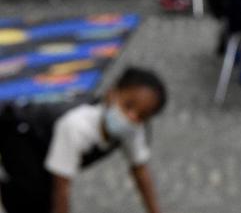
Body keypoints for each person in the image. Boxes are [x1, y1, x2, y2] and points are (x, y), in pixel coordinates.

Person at [0, 66, 168, 213]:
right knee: (32, 197)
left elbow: (140, 171)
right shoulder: (77, 127)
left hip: (47, 145)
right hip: (21, 133)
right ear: (111, 93)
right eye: (128, 105)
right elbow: (61, 188)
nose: (131, 117)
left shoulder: (133, 130)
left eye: (142, 116)